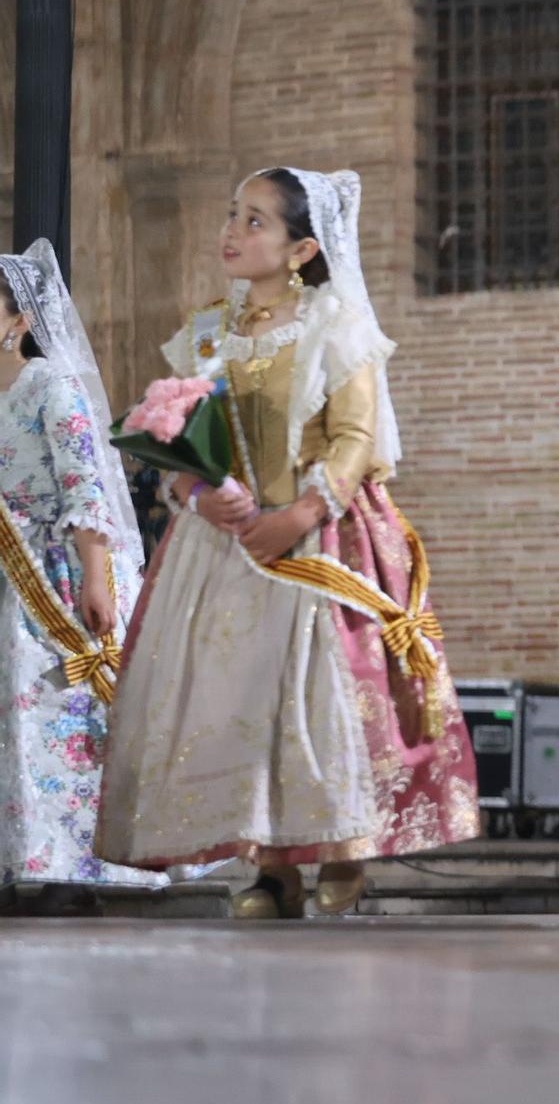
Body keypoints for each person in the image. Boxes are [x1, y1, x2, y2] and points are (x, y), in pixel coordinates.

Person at [96, 168, 480, 918]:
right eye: (232, 215)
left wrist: (297, 513)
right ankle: (269, 869)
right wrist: (196, 493)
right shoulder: (207, 332)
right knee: (238, 699)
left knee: (313, 696)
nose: (232, 233)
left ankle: (341, 847)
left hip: (316, 535)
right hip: (220, 545)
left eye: (254, 221)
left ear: (302, 247)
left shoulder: (337, 326)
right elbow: (168, 439)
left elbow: (356, 439)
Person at [0, 241, 166, 907]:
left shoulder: (50, 385)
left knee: (57, 718)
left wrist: (97, 577)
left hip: (54, 577)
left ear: (18, 321)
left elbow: (86, 487)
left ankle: (75, 869)